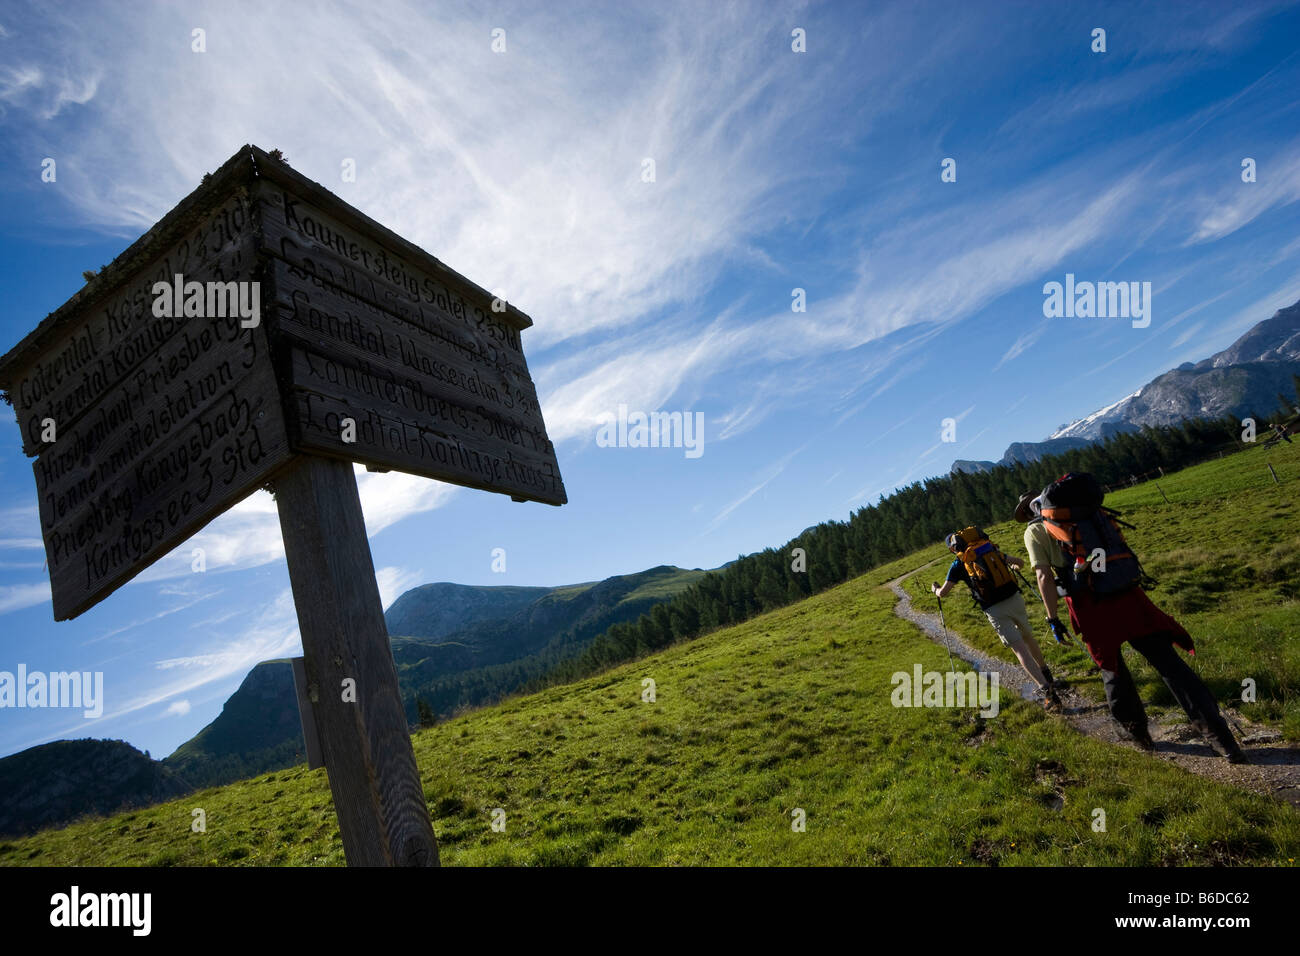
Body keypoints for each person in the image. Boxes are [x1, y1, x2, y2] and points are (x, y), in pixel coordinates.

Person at [1015, 490, 1247, 762]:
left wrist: (1052, 618)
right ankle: (1223, 740)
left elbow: (1043, 575)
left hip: (1090, 605)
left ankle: (1138, 735)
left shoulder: (1035, 532)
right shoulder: (1087, 515)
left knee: (1113, 670)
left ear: (1030, 510)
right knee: (1169, 663)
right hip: (1126, 593)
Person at [931, 528, 1062, 711]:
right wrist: (1013, 568)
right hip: (1014, 598)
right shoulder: (989, 550)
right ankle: (1047, 674)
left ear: (953, 548)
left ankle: (1047, 691)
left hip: (994, 608)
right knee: (1028, 637)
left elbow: (943, 593)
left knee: (1019, 649)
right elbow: (1019, 563)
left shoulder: (958, 564)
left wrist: (935, 590)